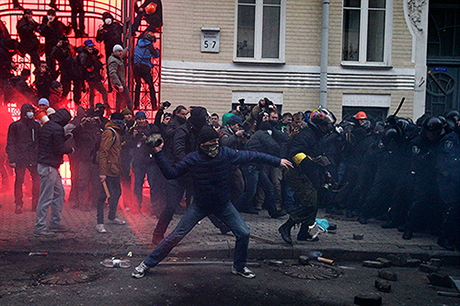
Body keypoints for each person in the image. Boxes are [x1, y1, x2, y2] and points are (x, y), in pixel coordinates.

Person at [132, 126, 293, 279]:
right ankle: (146, 264)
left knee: (243, 233)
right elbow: (171, 173)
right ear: (202, 144)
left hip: (223, 204)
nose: (214, 145)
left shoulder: (226, 153)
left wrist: (276, 161)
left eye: (216, 142)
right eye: (211, 143)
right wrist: (159, 153)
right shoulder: (193, 158)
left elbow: (253, 155)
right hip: (200, 205)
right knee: (175, 236)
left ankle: (239, 266)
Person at [278, 108, 336, 244]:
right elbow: (295, 153)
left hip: (309, 173)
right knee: (309, 201)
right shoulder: (306, 135)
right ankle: (286, 227)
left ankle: (303, 232)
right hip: (296, 173)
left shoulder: (317, 136)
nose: (327, 128)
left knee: (314, 201)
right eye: (325, 125)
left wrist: (324, 171)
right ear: (317, 124)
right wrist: (312, 162)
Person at [33, 108, 73, 237]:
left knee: (58, 193)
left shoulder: (47, 126)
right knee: (47, 197)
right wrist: (70, 149)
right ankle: (40, 227)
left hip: (47, 165)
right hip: (49, 166)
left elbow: (49, 144)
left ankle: (54, 223)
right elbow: (58, 148)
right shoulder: (57, 129)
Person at [6, 103, 40, 214]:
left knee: (35, 180)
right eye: (28, 111)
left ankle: (35, 203)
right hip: (21, 157)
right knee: (19, 180)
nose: (30, 113)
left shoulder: (35, 126)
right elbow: (11, 143)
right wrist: (12, 159)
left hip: (32, 157)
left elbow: (39, 142)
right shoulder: (15, 126)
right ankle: (19, 203)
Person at [96, 112, 126, 233]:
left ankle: (112, 216)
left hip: (114, 169)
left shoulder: (116, 132)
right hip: (108, 170)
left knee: (117, 192)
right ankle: (99, 222)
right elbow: (103, 152)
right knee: (103, 196)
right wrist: (102, 172)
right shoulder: (110, 133)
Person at [96, 12, 123, 92]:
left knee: (120, 66)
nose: (108, 20)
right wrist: (100, 33)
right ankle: (111, 86)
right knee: (110, 67)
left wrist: (127, 22)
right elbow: (98, 40)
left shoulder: (116, 25)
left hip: (118, 49)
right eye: (106, 18)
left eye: (109, 18)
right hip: (109, 50)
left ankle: (121, 83)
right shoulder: (103, 28)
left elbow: (124, 29)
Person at [39, 9, 69, 79]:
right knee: (50, 66)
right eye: (49, 15)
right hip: (49, 48)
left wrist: (67, 31)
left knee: (63, 65)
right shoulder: (44, 24)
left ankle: (60, 82)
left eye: (52, 15)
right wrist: (47, 25)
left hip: (59, 48)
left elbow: (65, 31)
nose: (51, 17)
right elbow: (42, 32)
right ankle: (51, 81)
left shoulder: (58, 24)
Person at [133, 32, 160, 109]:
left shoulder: (138, 43)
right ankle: (154, 105)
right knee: (151, 86)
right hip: (144, 67)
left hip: (136, 67)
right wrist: (157, 51)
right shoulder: (149, 46)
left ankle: (136, 105)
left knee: (137, 85)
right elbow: (156, 55)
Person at [108, 44, 133, 112]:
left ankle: (117, 113)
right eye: (118, 51)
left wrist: (127, 48)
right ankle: (131, 114)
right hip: (119, 84)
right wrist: (119, 84)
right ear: (114, 52)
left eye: (121, 51)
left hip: (120, 83)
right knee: (128, 99)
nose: (120, 53)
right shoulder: (113, 61)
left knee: (119, 99)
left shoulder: (117, 57)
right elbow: (113, 73)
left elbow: (122, 54)